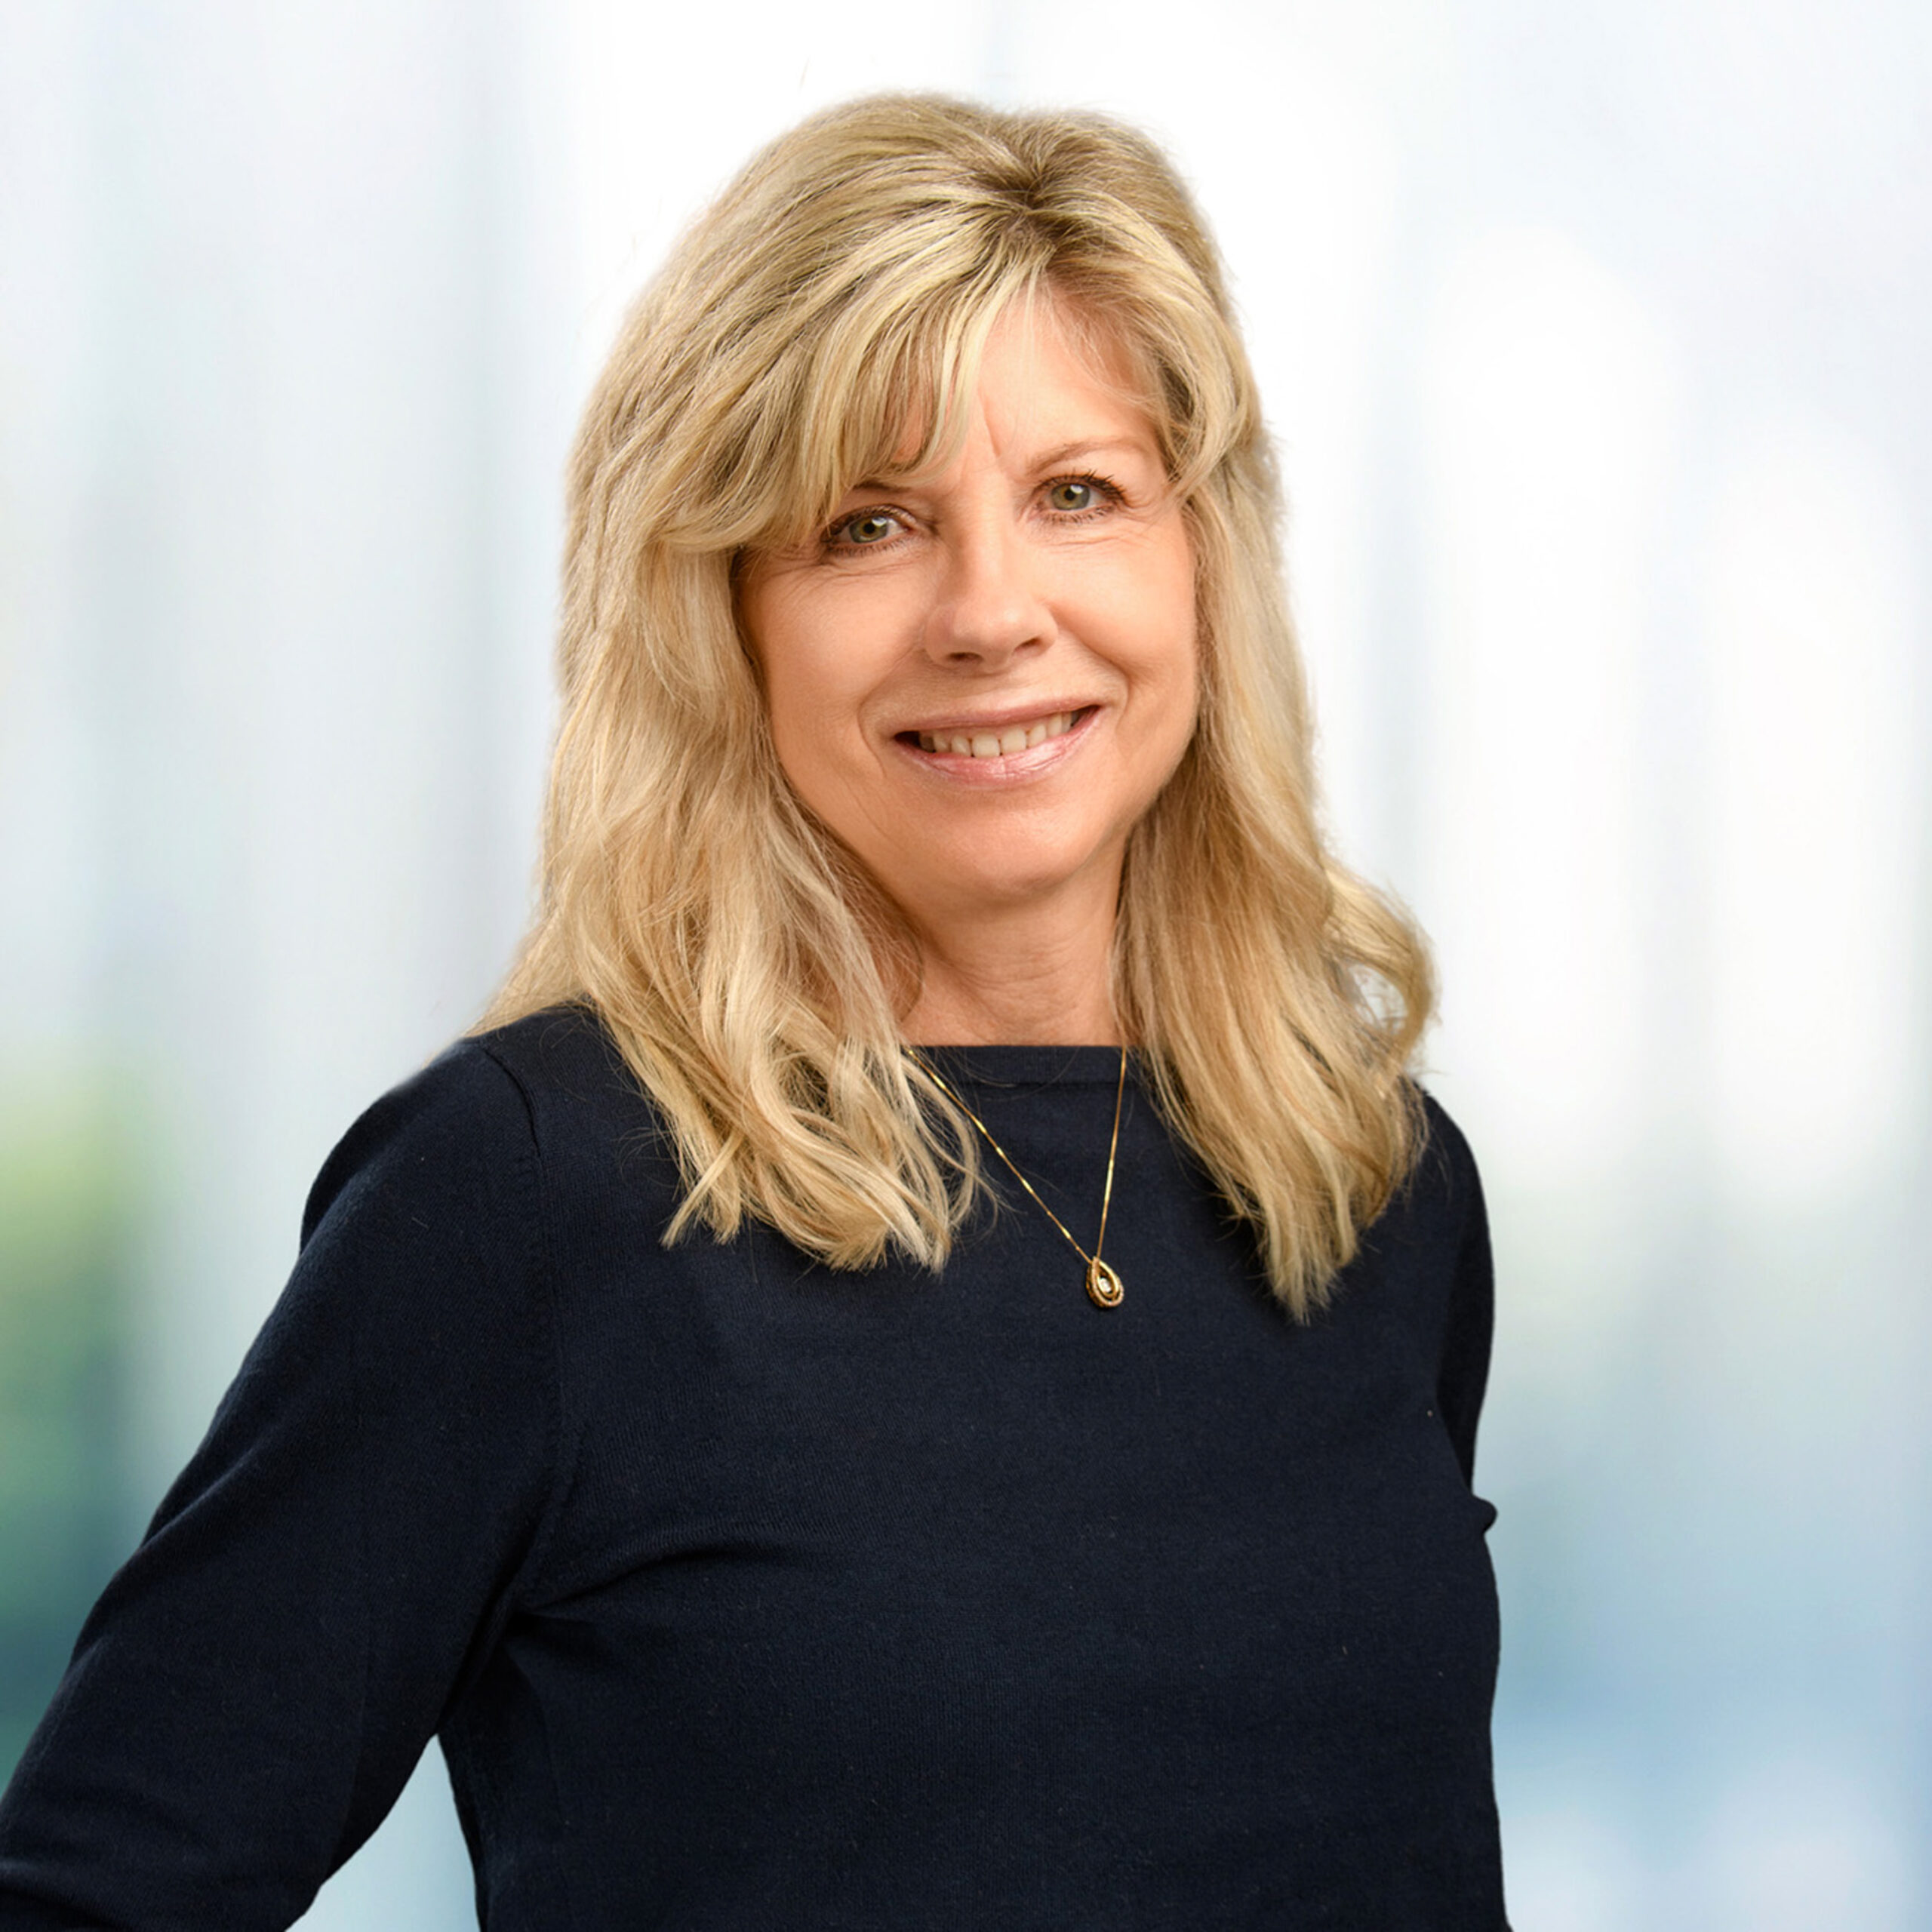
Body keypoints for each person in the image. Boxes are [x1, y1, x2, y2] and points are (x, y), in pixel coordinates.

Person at [0, 94, 1505, 1928]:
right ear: (722, 611)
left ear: (1200, 561)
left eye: (1076, 494)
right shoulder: (527, 1193)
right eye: (868, 522)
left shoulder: (1370, 1181)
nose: (987, 609)